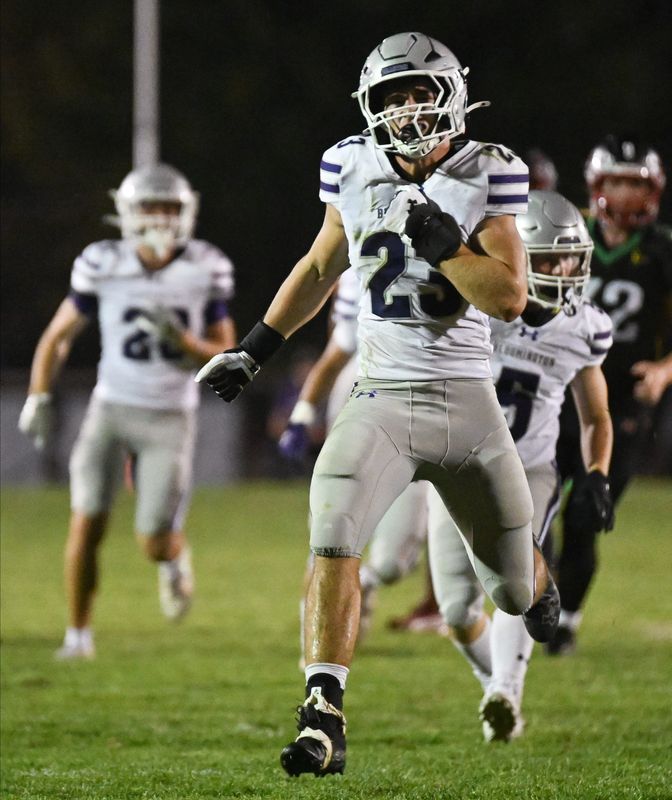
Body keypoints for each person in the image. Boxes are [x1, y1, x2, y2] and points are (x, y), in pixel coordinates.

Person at [196, 32, 559, 777]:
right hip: (382, 394)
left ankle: (538, 575)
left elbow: (511, 298)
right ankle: (323, 711)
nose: (406, 110)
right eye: (392, 98)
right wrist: (255, 350)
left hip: (468, 407)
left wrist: (449, 247)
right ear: (371, 106)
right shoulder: (350, 164)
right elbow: (322, 263)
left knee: (515, 591)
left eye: (420, 93)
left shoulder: (489, 169)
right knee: (332, 521)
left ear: (450, 97)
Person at [18, 163, 237, 659]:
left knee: (153, 542)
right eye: (150, 206)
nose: (161, 216)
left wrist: (183, 342)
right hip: (111, 408)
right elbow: (57, 337)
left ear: (188, 212)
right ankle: (77, 636)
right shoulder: (103, 262)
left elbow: (227, 353)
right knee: (86, 520)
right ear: (127, 212)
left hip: (169, 417)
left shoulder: (205, 265)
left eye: (170, 207)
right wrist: (39, 394)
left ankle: (174, 559)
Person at [428, 190, 613, 742]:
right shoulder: (471, 308)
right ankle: (499, 688)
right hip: (459, 467)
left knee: (514, 574)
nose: (566, 271)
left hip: (529, 465)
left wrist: (598, 472)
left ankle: (506, 692)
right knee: (458, 608)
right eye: (552, 258)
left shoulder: (583, 327)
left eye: (572, 257)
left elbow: (596, 414)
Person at [547, 135, 672, 655]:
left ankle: (567, 619)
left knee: (585, 516)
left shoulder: (663, 250)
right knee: (534, 505)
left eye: (635, 184)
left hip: (622, 400)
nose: (625, 195)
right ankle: (539, 605)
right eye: (617, 182)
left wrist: (666, 369)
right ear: (598, 185)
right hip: (557, 389)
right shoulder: (562, 232)